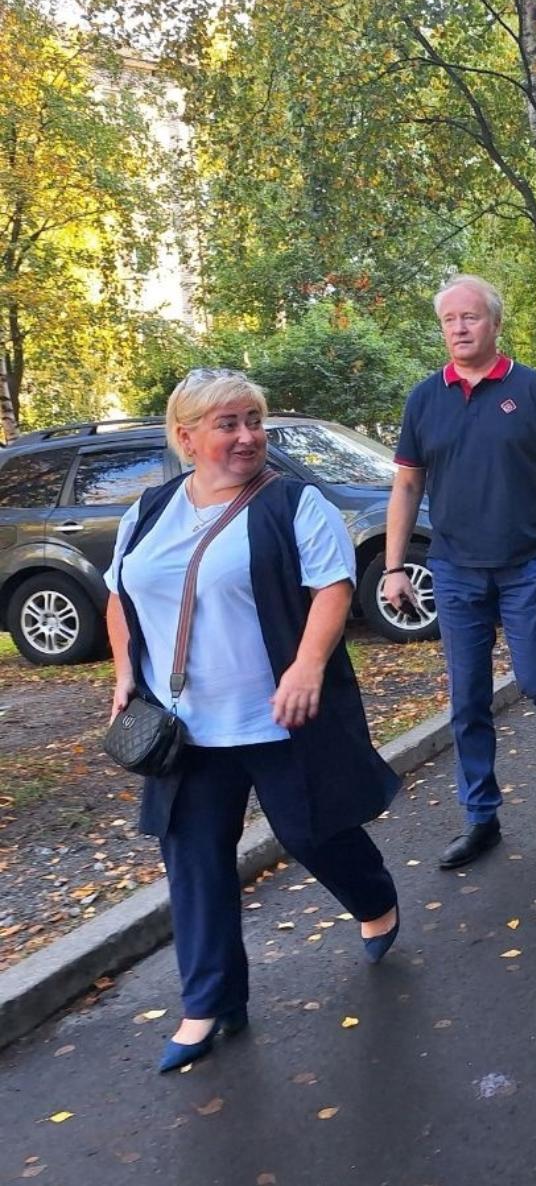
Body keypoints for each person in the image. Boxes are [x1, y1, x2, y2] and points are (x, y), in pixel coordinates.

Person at [105, 370, 401, 1074]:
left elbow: (330, 589)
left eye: (253, 421)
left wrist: (305, 667)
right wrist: (123, 674)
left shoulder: (294, 505)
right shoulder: (147, 511)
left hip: (274, 714)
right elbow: (119, 595)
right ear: (186, 438)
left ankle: (375, 897)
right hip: (184, 730)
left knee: (312, 833)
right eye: (227, 425)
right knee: (194, 860)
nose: (246, 437)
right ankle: (210, 1003)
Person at [384, 274, 536, 870]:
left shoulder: (531, 391)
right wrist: (395, 566)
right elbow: (407, 483)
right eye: (450, 319)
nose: (458, 327)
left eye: (470, 317)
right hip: (454, 570)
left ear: (494, 324)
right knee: (467, 698)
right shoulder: (425, 398)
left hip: (528, 564)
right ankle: (481, 817)